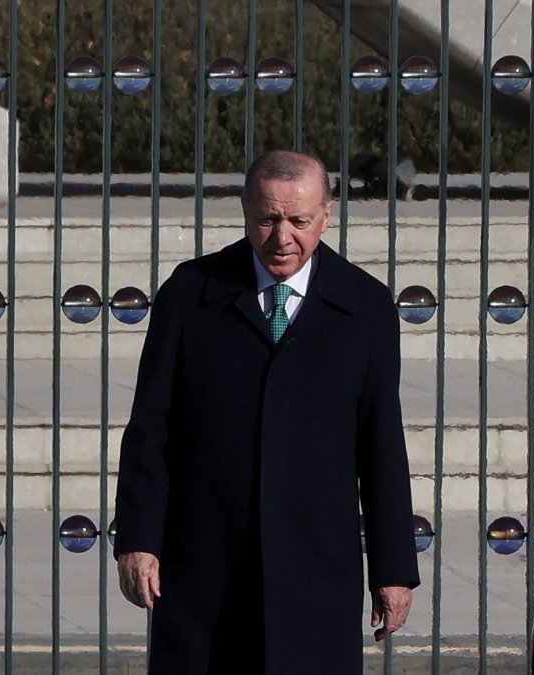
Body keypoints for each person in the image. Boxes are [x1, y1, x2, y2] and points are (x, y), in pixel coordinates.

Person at [113, 150, 420, 673]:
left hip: (316, 566)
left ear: (327, 214)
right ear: (244, 210)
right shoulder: (191, 295)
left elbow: (381, 442)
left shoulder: (364, 306)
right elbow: (150, 428)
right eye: (267, 218)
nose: (282, 237)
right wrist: (139, 538)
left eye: (299, 221)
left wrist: (393, 569)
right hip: (205, 564)